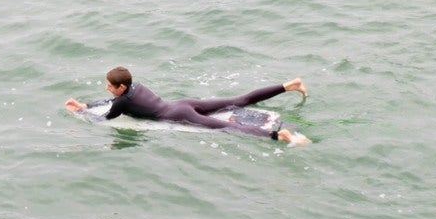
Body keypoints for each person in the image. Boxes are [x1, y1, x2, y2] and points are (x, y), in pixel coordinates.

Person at [66, 65, 308, 143]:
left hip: (177, 115)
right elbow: (110, 100)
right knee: (238, 100)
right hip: (182, 103)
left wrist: (81, 112)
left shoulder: (121, 103)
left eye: (110, 85)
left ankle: (278, 136)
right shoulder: (135, 86)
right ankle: (289, 86)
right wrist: (86, 103)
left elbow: (105, 117)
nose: (107, 88)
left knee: (223, 127)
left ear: (120, 87)